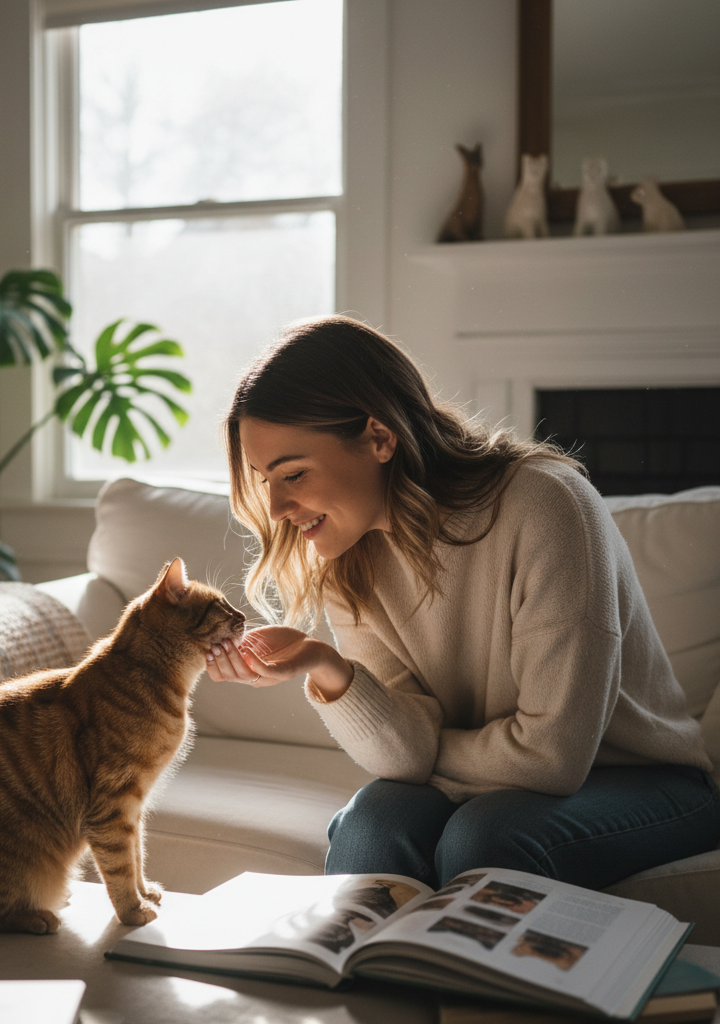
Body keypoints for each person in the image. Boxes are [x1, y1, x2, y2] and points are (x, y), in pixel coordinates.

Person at [205, 315, 718, 891]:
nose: (274, 508)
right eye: (263, 480)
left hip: (647, 781)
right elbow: (402, 763)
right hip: (502, 780)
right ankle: (356, 979)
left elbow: (551, 759)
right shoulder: (346, 556)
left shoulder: (548, 506)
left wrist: (429, 751)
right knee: (373, 822)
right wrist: (331, 669)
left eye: (293, 474)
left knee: (485, 837)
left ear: (379, 438)